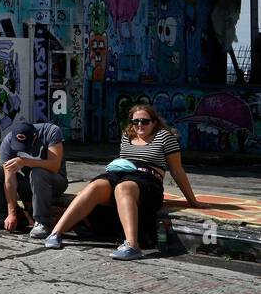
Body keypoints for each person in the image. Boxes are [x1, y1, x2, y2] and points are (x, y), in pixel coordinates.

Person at [45, 104, 202, 259]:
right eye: (136, 121)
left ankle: (132, 245)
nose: (140, 125)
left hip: (147, 179)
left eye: (145, 121)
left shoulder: (164, 137)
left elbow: (177, 170)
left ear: (154, 122)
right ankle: (56, 233)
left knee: (123, 188)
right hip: (120, 173)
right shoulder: (127, 136)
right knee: (94, 186)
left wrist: (192, 200)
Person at [0, 120, 68, 237]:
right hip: (28, 183)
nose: (22, 149)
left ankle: (43, 222)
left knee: (37, 172)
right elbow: (9, 180)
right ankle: (1, 215)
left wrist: (25, 161)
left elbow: (55, 166)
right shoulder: (8, 142)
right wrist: (12, 213)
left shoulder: (51, 131)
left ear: (35, 137)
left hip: (54, 182)